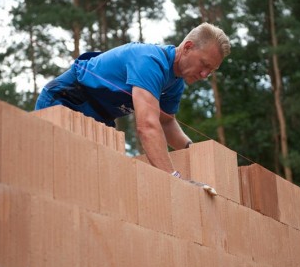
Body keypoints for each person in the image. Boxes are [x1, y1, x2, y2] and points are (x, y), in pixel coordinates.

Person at [35, 22, 231, 178]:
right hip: (65, 100)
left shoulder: (175, 82)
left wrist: (195, 152)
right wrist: (173, 177)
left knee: (88, 182)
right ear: (187, 47)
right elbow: (147, 126)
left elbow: (166, 122)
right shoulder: (150, 61)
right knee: (53, 173)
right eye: (204, 65)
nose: (205, 74)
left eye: (211, 70)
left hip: (98, 119)